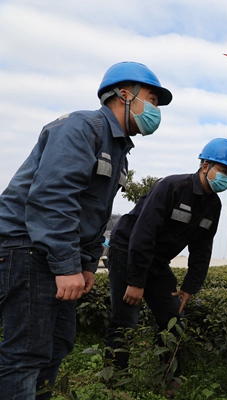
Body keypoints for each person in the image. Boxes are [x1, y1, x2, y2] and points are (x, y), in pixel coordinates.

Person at [0, 61, 173, 399]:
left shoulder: (119, 148)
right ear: (125, 95)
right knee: (27, 352)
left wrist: (88, 264)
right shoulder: (83, 126)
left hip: (54, 253)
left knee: (57, 345)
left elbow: (94, 212)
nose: (155, 110)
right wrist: (66, 266)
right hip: (28, 246)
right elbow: (52, 197)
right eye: (152, 100)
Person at [104, 138, 227, 382]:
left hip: (157, 261)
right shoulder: (172, 187)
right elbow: (142, 234)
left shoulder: (213, 206)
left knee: (173, 320)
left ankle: (170, 381)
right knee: (125, 320)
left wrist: (190, 286)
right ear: (205, 166)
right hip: (128, 250)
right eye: (223, 171)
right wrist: (136, 281)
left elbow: (202, 248)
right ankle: (114, 382)